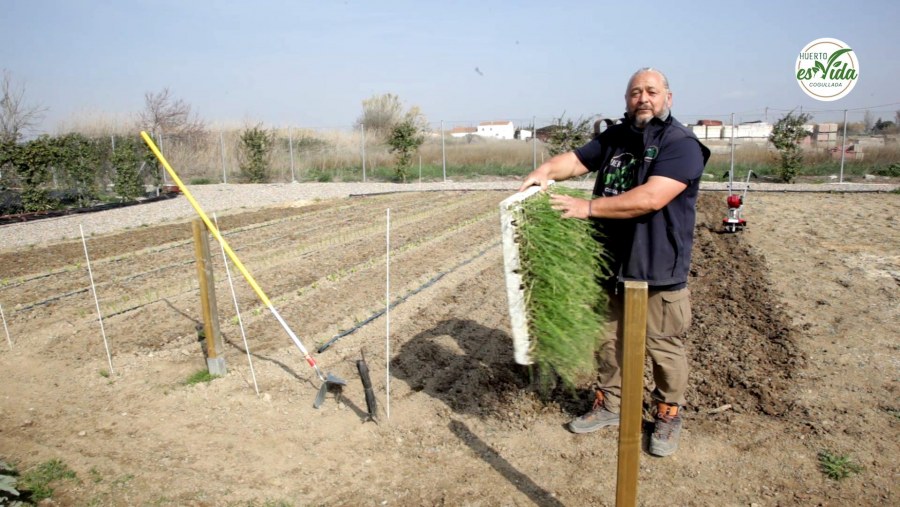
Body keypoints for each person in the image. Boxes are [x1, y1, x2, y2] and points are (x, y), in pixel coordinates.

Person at [518, 68, 710, 457]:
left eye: (651, 91)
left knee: (662, 346)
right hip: (610, 261)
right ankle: (611, 404)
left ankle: (668, 412)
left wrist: (587, 207)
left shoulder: (681, 144)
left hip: (656, 266)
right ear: (626, 100)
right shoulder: (616, 136)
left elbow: (651, 198)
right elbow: (574, 161)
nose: (643, 97)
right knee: (608, 339)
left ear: (668, 98)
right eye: (635, 92)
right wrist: (544, 171)